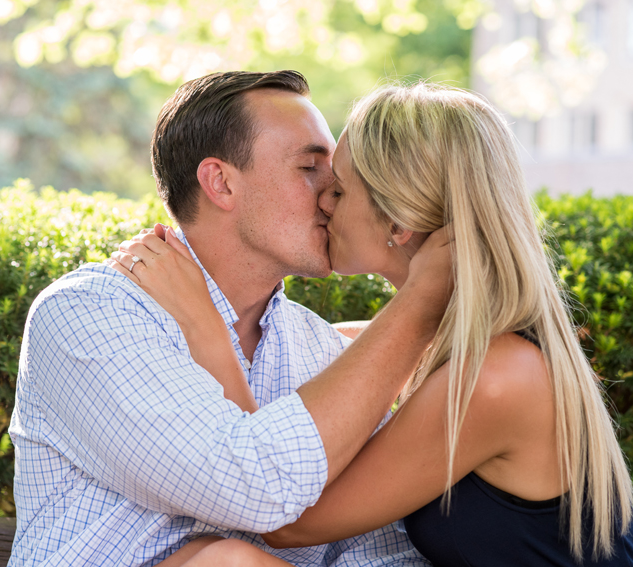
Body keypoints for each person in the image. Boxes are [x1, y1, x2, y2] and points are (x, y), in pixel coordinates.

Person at [109, 83, 633, 566]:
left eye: (338, 188)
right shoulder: (470, 348)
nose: (323, 203)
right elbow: (364, 351)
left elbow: (282, 518)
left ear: (399, 222)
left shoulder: (495, 379)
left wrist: (206, 327)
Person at [7, 70, 452, 566]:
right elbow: (251, 486)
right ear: (220, 182)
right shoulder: (90, 316)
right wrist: (421, 299)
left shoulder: (323, 353)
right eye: (310, 168)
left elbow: (385, 552)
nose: (333, 194)